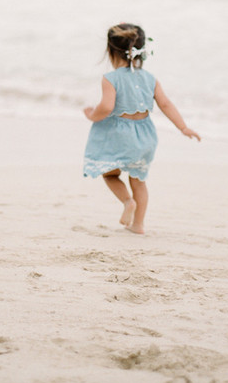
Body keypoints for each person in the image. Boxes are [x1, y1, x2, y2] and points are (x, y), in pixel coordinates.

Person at [83, 23, 200, 234]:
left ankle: (127, 202)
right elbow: (165, 104)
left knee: (110, 175)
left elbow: (107, 107)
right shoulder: (150, 78)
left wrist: (92, 115)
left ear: (110, 51)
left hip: (119, 137)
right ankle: (138, 225)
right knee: (139, 181)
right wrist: (183, 127)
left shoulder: (110, 79)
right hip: (145, 138)